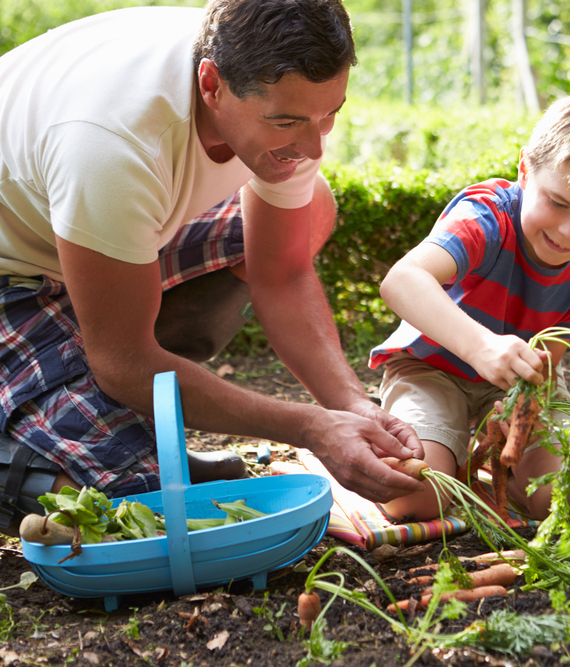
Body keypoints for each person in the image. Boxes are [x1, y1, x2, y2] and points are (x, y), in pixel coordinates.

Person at [0, 0, 425, 538]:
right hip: (17, 270)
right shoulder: (114, 144)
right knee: (136, 503)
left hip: (95, 234)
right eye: (286, 121)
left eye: (329, 113)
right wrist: (312, 428)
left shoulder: (282, 94)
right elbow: (122, 360)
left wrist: (351, 406)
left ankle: (125, 408)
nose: (314, 143)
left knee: (311, 207)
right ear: (211, 85)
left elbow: (283, 272)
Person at [369, 89, 570, 522]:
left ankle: (474, 457)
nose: (569, 232)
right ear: (525, 170)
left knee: (562, 502)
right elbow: (401, 281)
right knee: (413, 497)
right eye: (558, 203)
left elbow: (551, 358)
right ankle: (441, 450)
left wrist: (521, 405)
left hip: (519, 384)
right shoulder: (486, 218)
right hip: (432, 367)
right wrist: (480, 348)